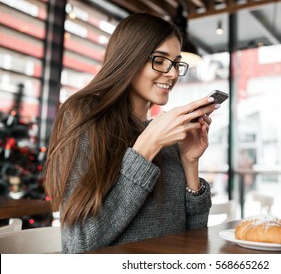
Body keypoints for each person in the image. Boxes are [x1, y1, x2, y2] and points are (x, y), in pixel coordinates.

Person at [44, 13, 219, 253]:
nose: (172, 73)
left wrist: (189, 162)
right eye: (160, 60)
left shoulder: (162, 132)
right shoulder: (84, 115)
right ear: (129, 58)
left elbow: (194, 235)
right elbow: (78, 244)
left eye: (176, 63)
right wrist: (146, 148)